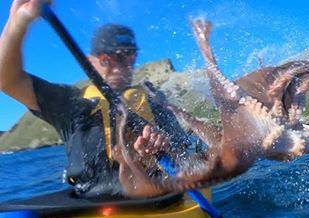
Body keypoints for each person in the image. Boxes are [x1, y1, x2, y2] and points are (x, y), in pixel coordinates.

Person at [0, 0, 189, 199]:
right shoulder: (70, 103)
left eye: (127, 56)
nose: (119, 64)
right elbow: (7, 79)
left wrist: (159, 155)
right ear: (91, 61)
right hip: (89, 202)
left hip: (155, 199)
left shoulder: (154, 103)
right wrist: (18, 21)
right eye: (107, 58)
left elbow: (188, 160)